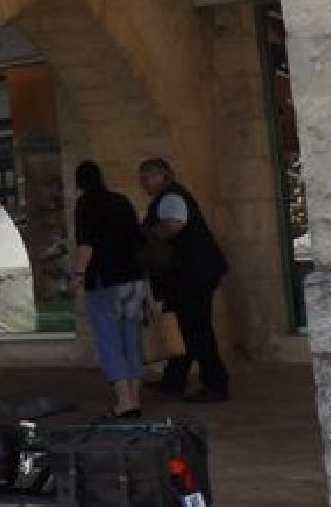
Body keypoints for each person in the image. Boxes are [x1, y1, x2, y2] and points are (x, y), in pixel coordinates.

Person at [139, 157, 231, 402]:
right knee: (180, 327)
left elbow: (172, 226)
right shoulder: (169, 196)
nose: (143, 183)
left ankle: (215, 384)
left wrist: (143, 234)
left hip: (192, 275)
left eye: (147, 177)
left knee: (196, 329)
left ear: (162, 176)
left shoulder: (170, 197)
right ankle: (174, 380)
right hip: (187, 276)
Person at [71, 161, 146, 418]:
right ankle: (135, 400)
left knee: (110, 342)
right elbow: (139, 238)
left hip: (106, 281)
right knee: (132, 341)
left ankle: (124, 403)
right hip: (134, 280)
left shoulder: (86, 204)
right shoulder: (121, 201)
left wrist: (79, 274)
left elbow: (87, 244)